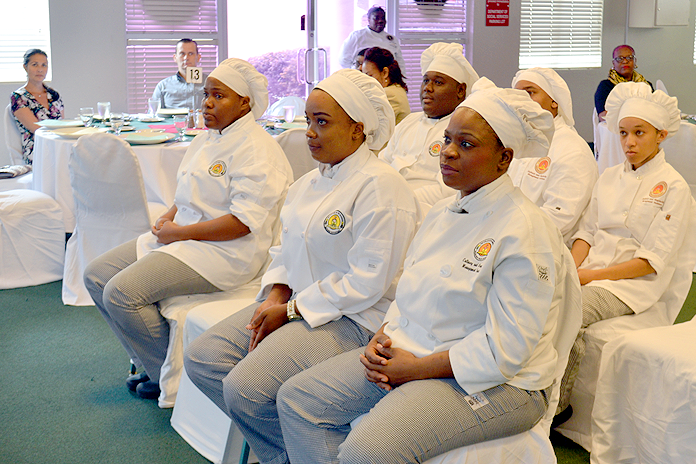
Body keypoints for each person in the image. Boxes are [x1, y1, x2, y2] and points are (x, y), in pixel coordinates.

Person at [274, 78, 580, 464]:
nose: (447, 152)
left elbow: (507, 351)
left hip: (501, 383)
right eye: (447, 139)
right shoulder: (441, 213)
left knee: (367, 450)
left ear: (505, 159)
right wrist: (382, 339)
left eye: (465, 145)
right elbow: (409, 293)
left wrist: (416, 369)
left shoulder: (525, 230)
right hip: (415, 351)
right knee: (298, 400)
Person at [184, 69, 420, 464]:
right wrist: (278, 291)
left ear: (358, 130)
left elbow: (368, 281)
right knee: (204, 357)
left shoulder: (381, 186)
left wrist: (291, 310)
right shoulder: (309, 183)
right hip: (297, 302)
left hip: (353, 318)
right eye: (308, 120)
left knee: (245, 388)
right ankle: (287, 453)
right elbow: (283, 249)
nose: (309, 131)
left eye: (322, 122)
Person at [83, 58, 293, 402]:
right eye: (207, 94)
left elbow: (242, 223)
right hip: (186, 237)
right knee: (95, 275)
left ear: (245, 102)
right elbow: (187, 194)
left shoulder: (258, 150)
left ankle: (166, 379)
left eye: (219, 96)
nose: (207, 103)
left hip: (226, 253)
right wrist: (167, 218)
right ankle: (147, 360)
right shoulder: (207, 139)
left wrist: (177, 233)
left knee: (121, 293)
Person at [556, 82, 692, 422]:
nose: (629, 142)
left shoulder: (675, 188)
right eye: (623, 133)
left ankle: (556, 405)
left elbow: (649, 263)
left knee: (569, 308)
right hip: (592, 271)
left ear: (661, 135)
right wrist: (570, 268)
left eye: (639, 133)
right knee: (541, 292)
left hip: (631, 286)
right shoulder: (609, 176)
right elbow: (586, 233)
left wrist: (587, 277)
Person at [379, 42, 478, 212]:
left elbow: (448, 190)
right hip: (386, 204)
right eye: (425, 80)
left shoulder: (464, 132)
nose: (427, 88)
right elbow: (382, 165)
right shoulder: (408, 122)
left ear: (460, 90)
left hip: (431, 213)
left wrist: (397, 200)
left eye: (438, 83)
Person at [511, 67, 599, 245]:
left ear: (554, 102)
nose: (520, 101)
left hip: (544, 249)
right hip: (509, 238)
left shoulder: (572, 149)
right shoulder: (516, 144)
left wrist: (504, 234)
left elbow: (559, 217)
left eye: (529, 92)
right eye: (516, 95)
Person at [10, 49, 64, 164]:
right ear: (25, 67)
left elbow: (62, 125)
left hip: (59, 148)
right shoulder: (19, 97)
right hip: (36, 152)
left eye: (44, 65)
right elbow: (38, 129)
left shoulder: (54, 95)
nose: (40, 69)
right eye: (35, 65)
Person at [595, 45, 652, 122]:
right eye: (619, 59)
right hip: (616, 129)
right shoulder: (605, 86)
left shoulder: (646, 85)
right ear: (613, 63)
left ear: (635, 61)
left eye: (629, 58)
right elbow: (603, 116)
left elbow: (654, 111)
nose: (625, 61)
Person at [339, 6, 405, 71]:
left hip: (387, 78)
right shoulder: (356, 36)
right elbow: (343, 60)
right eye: (376, 18)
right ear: (369, 19)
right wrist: (358, 72)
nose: (380, 21)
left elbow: (400, 63)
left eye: (383, 18)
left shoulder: (392, 39)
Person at [151, 38, 205, 109]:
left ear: (198, 57)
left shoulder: (210, 84)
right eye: (182, 54)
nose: (186, 58)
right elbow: (154, 115)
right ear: (175, 58)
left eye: (191, 54)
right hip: (172, 119)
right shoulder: (163, 86)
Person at [362, 47, 410, 125]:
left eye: (370, 76)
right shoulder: (396, 88)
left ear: (385, 73)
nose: (366, 81)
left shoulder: (389, 94)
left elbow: (370, 126)